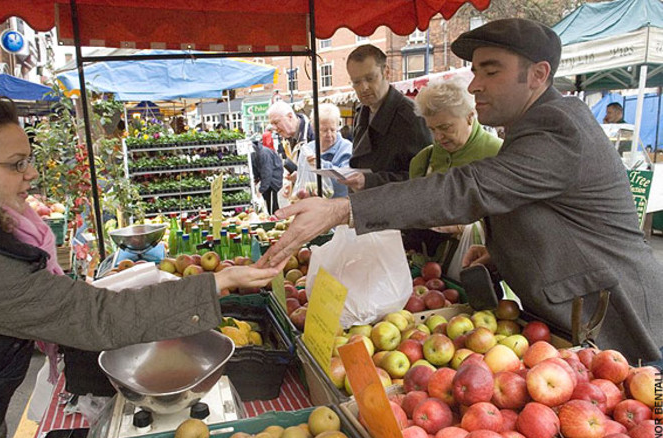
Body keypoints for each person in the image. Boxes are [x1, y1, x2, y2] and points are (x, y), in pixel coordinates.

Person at [260, 18, 663, 365]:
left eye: (491, 72)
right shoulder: (535, 124)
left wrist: (341, 210)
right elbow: (546, 209)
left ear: (538, 75)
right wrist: (505, 250)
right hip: (574, 318)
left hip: (618, 322)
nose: (474, 85)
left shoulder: (559, 128)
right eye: (475, 72)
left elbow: (469, 187)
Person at [0, 99, 282, 438]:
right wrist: (216, 282)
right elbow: (93, 315)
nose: (31, 173)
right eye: (17, 163)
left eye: (30, 159)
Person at [404, 78, 502, 254]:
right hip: (428, 269)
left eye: (446, 127)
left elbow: (516, 224)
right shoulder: (422, 160)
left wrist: (463, 227)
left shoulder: (500, 154)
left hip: (480, 264)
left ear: (470, 116)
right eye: (432, 129)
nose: (438, 137)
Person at [341, 44, 432, 192]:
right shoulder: (361, 111)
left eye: (370, 78)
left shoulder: (412, 116)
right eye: (356, 82)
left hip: (395, 210)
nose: (363, 88)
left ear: (387, 72)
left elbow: (423, 178)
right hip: (366, 206)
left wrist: (369, 181)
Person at [303, 103, 352, 198]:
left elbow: (346, 178)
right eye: (324, 130)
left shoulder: (346, 148)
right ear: (314, 129)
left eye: (333, 130)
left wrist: (320, 165)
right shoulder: (309, 148)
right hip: (314, 205)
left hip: (337, 206)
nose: (329, 134)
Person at [266, 100, 314, 175]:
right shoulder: (286, 139)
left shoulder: (313, 135)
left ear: (290, 116)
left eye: (276, 122)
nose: (274, 128)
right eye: (272, 124)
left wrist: (298, 179)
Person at [251, 139, 283, 214]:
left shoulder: (263, 154)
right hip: (270, 179)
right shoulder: (256, 153)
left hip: (273, 180)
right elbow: (256, 167)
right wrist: (256, 179)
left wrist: (261, 190)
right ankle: (271, 217)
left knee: (272, 205)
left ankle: (275, 220)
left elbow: (267, 172)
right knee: (267, 202)